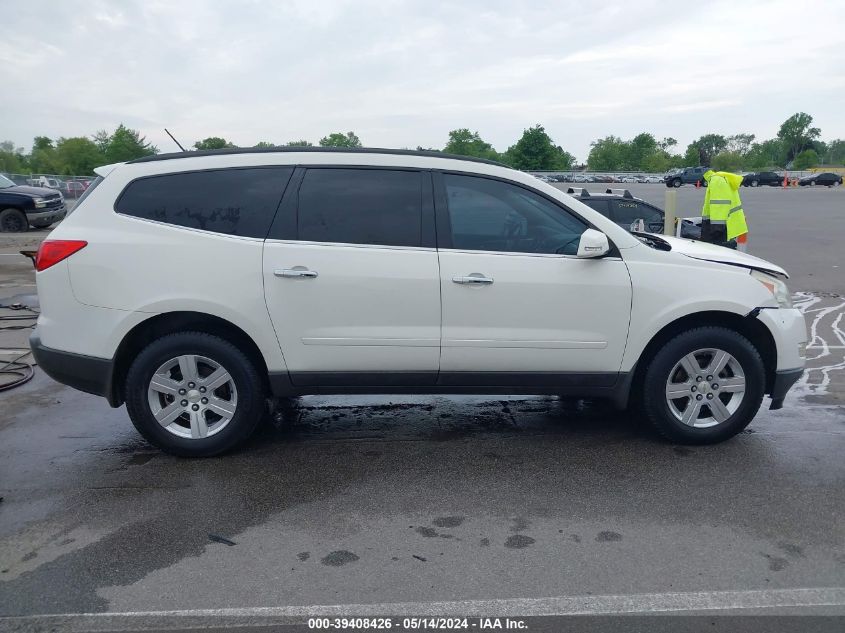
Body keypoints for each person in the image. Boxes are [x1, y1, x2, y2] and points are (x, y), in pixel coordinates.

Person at [700, 170, 748, 250]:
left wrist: (716, 229)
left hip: (721, 227)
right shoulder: (721, 178)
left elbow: (719, 205)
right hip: (729, 223)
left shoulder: (716, 180)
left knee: (718, 252)